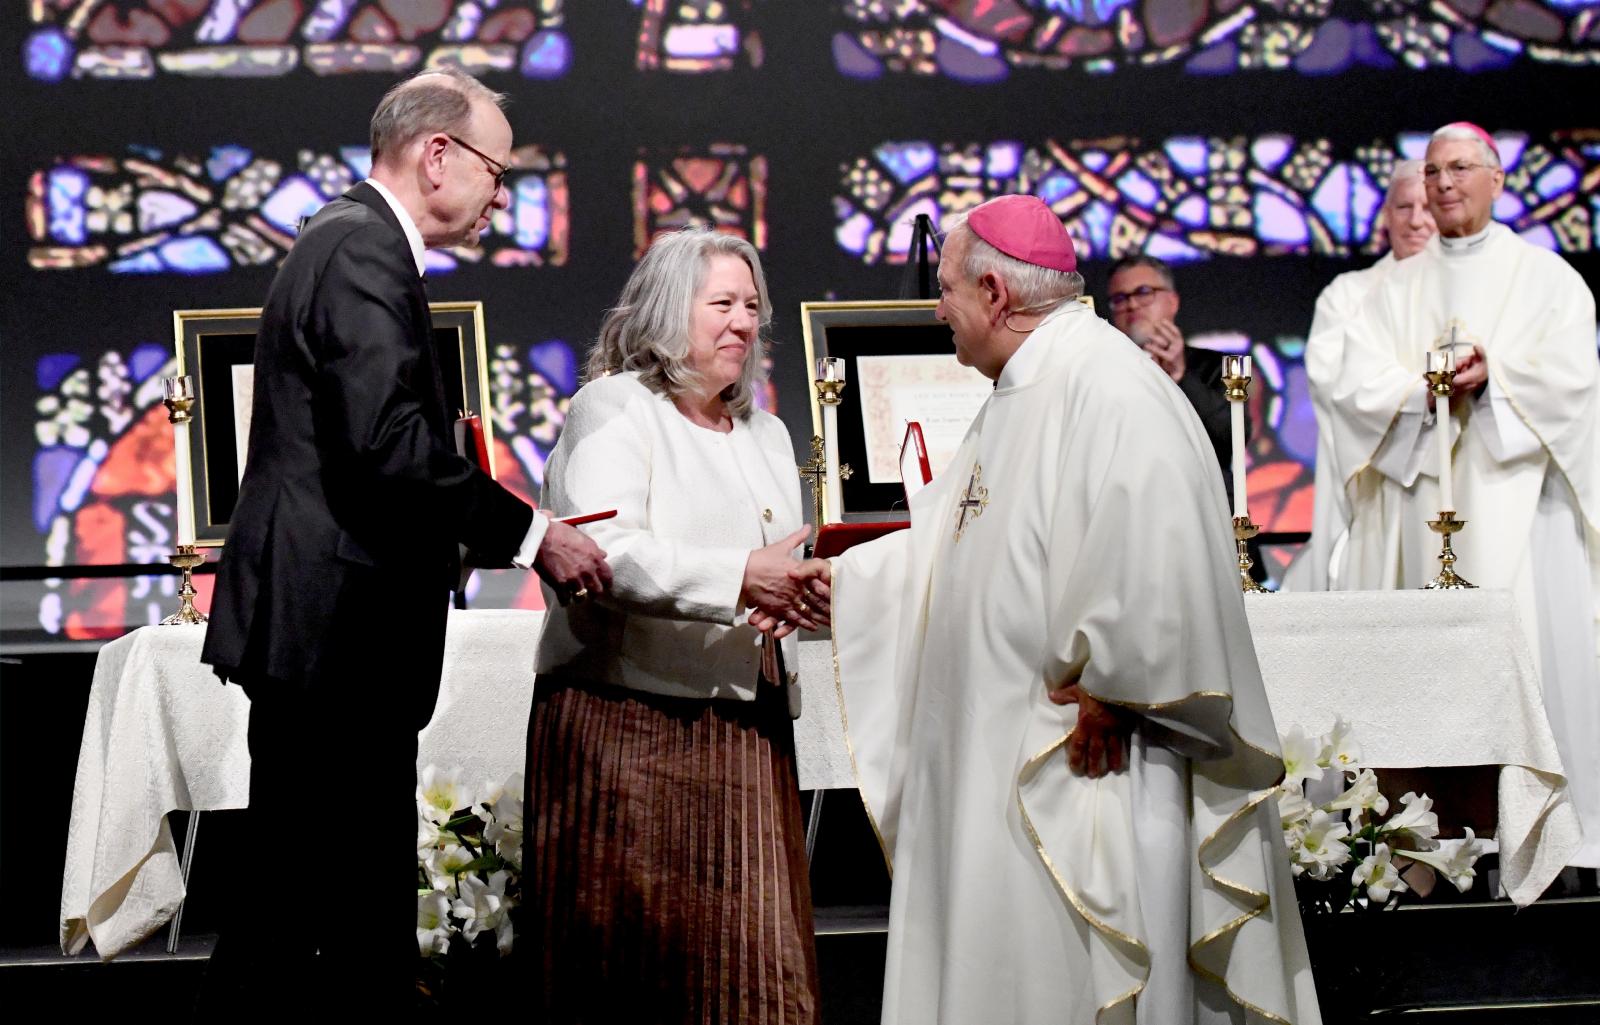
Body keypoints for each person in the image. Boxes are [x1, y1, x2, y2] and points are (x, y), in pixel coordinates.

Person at [823, 194, 1321, 1024]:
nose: (936, 310)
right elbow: (959, 544)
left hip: (1089, 761)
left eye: (945, 289)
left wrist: (1119, 686)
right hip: (1004, 757)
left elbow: (1158, 545)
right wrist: (838, 578)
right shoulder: (1024, 385)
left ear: (995, 293)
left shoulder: (1106, 383)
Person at [198, 69, 610, 1011]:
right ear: (437, 155)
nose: (501, 197)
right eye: (497, 172)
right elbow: (388, 446)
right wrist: (534, 534)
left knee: (327, 912)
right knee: (303, 914)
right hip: (335, 640)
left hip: (335, 637)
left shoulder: (348, 239)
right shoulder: (362, 250)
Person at [525, 227, 829, 1023]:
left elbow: (779, 563)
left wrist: (804, 595)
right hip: (630, 729)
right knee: (636, 972)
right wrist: (742, 576)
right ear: (667, 310)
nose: (743, 322)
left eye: (752, 306)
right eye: (722, 303)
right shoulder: (618, 407)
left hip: (748, 728)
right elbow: (604, 552)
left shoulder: (766, 431)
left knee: (758, 974)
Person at [1325, 122, 1600, 867]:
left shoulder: (1547, 278)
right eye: (1433, 170)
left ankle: (1544, 844)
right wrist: (1425, 391)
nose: (1444, 183)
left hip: (1521, 506)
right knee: (1426, 683)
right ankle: (1431, 850)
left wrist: (1494, 377)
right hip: (1419, 507)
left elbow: (1573, 380)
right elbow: (1353, 384)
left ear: (1497, 178)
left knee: (1530, 660)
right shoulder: (1390, 287)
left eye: (1460, 168)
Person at [1292, 159, 1436, 591]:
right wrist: (1419, 396)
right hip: (1374, 481)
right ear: (1385, 216)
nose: (1416, 220)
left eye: (1428, 207)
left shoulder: (1468, 290)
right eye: (1404, 207)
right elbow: (1335, 383)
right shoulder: (1347, 295)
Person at [1107, 254, 1233, 489]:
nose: (1132, 305)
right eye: (1120, 298)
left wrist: (1180, 378)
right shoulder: (1101, 373)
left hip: (1203, 497)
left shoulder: (1217, 365)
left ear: (1172, 302)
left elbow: (1232, 437)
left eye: (1144, 292)